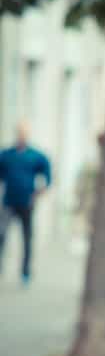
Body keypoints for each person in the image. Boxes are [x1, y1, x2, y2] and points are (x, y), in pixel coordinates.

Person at [0, 121, 52, 285]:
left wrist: (41, 191)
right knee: (1, 235)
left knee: (27, 238)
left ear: (27, 135)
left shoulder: (35, 156)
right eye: (20, 133)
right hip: (8, 202)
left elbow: (47, 173)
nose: (22, 136)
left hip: (27, 203)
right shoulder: (7, 155)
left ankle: (25, 273)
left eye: (25, 133)